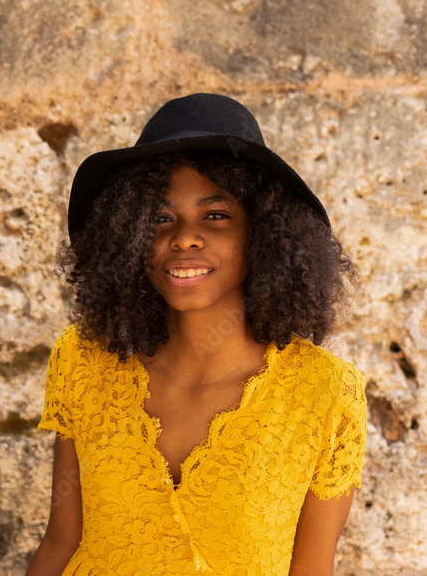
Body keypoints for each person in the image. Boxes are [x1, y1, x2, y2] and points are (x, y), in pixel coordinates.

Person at [26, 94, 367, 575]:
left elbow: (311, 569)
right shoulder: (83, 363)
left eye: (215, 215)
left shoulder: (325, 394)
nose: (184, 237)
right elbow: (61, 542)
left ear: (264, 234)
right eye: (161, 218)